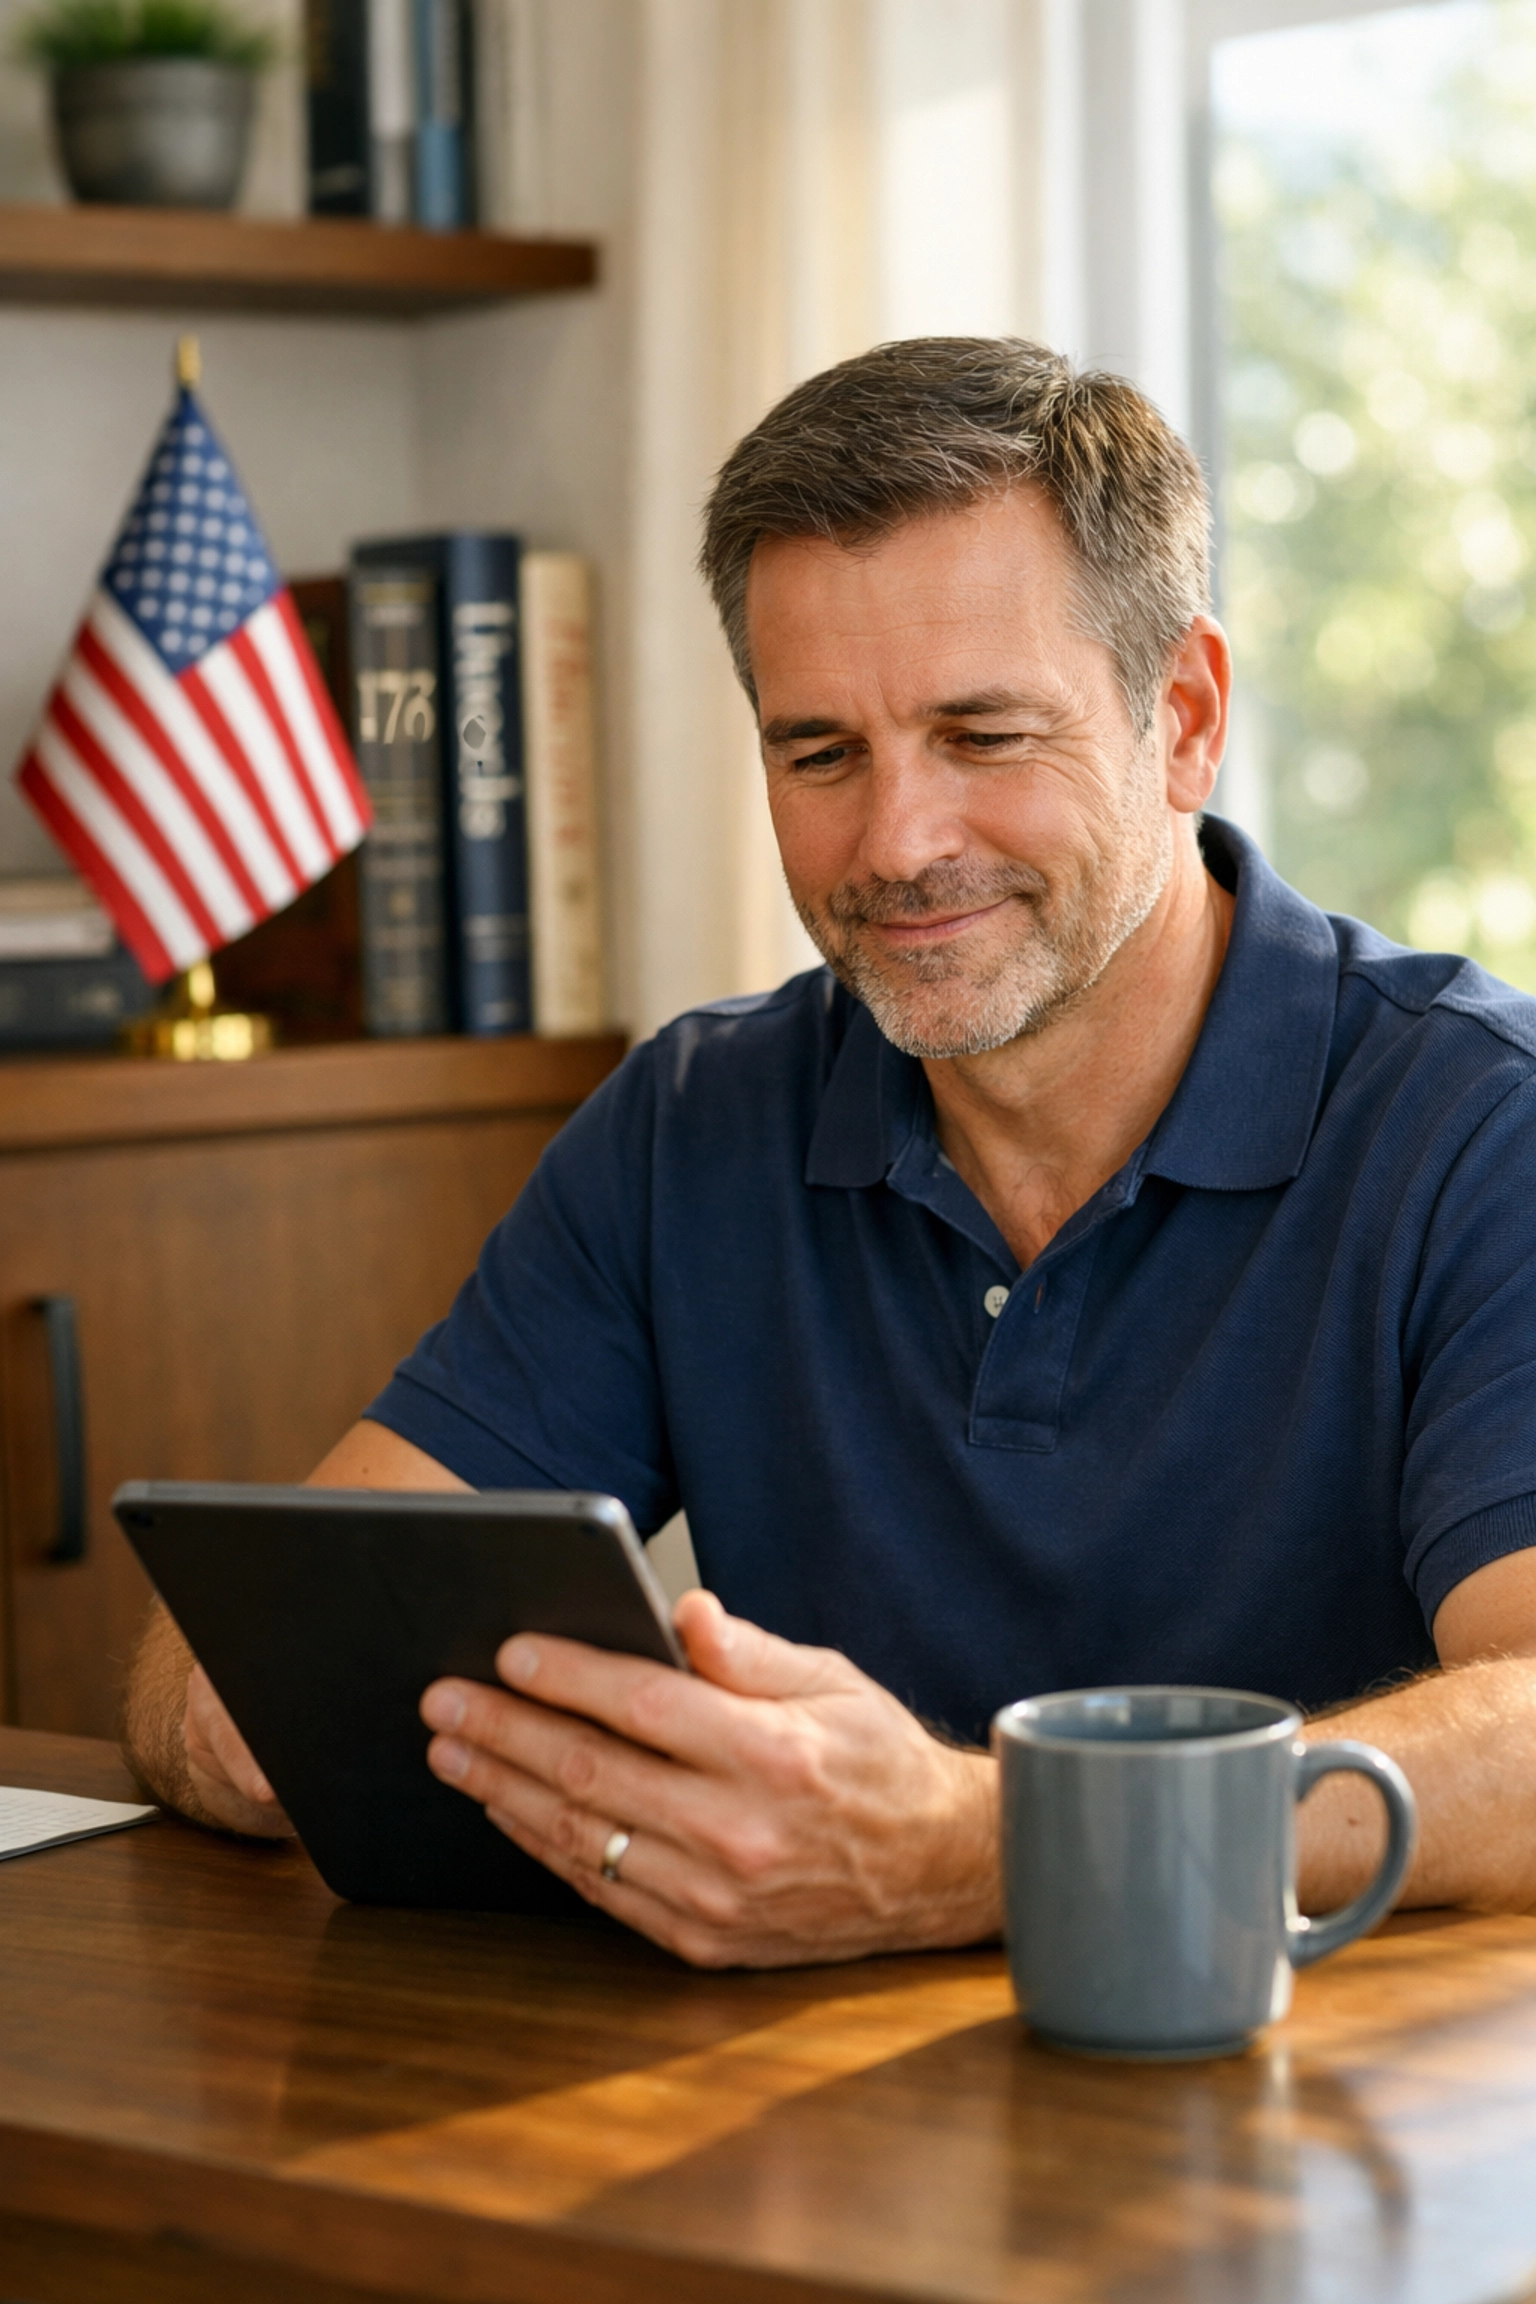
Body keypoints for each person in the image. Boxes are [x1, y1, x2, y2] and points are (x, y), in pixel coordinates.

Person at [125, 339, 1536, 1968]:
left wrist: (982, 1848)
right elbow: (208, 1660)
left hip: (1306, 2088)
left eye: (983, 735)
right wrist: (262, 1723)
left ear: (1186, 719)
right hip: (794, 2090)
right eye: (820, 754)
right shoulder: (690, 1124)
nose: (897, 843)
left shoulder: (1478, 1127)